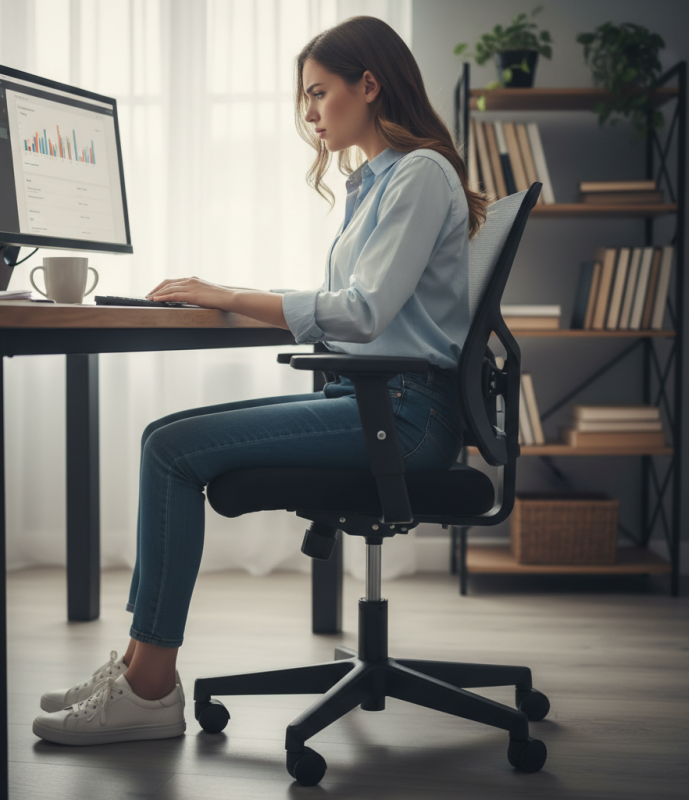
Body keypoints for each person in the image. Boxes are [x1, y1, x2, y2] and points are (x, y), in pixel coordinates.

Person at [33, 14, 488, 746]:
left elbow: (362, 312)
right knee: (161, 439)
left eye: (319, 92)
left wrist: (228, 293)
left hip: (406, 418)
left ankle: (149, 691)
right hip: (381, 403)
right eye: (305, 97)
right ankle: (138, 667)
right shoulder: (379, 182)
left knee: (168, 451)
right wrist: (234, 296)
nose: (309, 114)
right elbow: (348, 305)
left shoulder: (419, 174)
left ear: (369, 85)